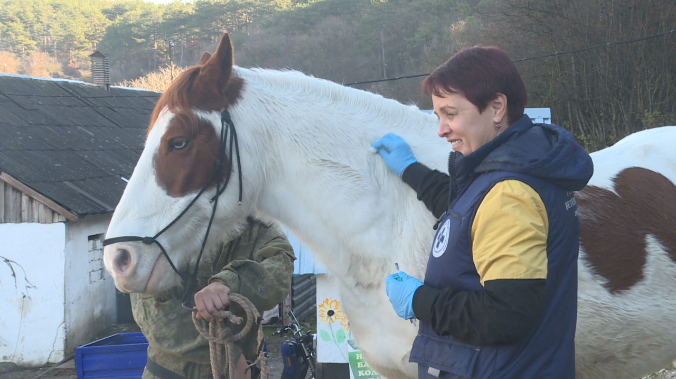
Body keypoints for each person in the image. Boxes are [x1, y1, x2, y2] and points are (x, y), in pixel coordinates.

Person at [372, 46, 593, 378]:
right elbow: (464, 210)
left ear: (496, 108)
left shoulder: (510, 194)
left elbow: (506, 314)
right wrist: (408, 169)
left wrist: (420, 300)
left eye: (450, 114)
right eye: (438, 116)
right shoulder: (510, 172)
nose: (441, 129)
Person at [131, 216, 296, 379]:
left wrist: (228, 281)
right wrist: (230, 358)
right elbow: (152, 313)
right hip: (171, 374)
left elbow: (279, 270)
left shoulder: (259, 227)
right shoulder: (165, 223)